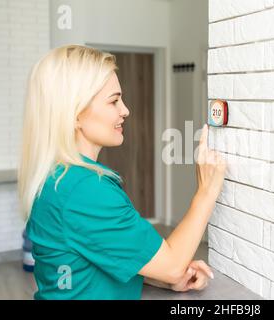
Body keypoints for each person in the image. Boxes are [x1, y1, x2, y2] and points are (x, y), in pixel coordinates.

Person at [17, 45, 226, 300]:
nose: (125, 110)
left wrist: (159, 277)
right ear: (75, 113)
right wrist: (206, 191)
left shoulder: (57, 178)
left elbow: (97, 255)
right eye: (114, 100)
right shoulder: (84, 190)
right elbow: (172, 266)